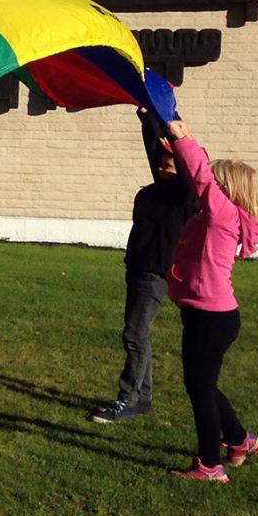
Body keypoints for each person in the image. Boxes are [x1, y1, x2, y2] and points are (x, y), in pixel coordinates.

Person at [163, 120, 258, 483]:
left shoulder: (222, 214)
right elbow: (201, 177)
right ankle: (241, 440)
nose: (203, 185)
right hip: (207, 314)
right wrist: (182, 138)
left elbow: (201, 178)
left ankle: (209, 465)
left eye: (214, 182)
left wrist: (184, 140)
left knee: (200, 388)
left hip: (212, 317)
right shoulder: (216, 216)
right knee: (202, 384)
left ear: (226, 190)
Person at [90, 111, 191, 424]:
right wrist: (148, 117)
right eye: (160, 161)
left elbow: (186, 159)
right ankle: (142, 397)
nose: (162, 164)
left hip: (156, 275)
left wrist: (174, 127)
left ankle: (130, 398)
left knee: (134, 335)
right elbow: (154, 148)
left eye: (169, 161)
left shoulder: (185, 197)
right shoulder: (155, 190)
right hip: (136, 270)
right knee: (138, 335)